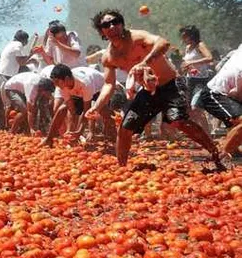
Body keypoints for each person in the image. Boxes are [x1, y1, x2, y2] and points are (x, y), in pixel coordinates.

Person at [84, 9, 221, 168]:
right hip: (148, 91)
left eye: (116, 22)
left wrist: (145, 62)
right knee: (125, 128)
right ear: (102, 31)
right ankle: (121, 169)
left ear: (122, 24)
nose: (113, 26)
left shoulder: (137, 37)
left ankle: (216, 153)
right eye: (107, 24)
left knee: (178, 121)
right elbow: (109, 84)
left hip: (171, 84)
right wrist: (97, 107)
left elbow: (163, 43)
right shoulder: (108, 57)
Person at [42, 64, 111, 146]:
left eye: (57, 81)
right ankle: (49, 139)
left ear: (67, 79)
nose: (55, 85)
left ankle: (112, 135)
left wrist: (79, 131)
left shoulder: (85, 83)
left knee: (103, 111)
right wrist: (70, 130)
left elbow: (86, 110)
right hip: (79, 92)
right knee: (61, 109)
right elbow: (71, 109)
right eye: (54, 82)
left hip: (99, 88)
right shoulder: (62, 86)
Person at [197, 43, 242, 155]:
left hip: (228, 94)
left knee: (236, 127)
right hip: (215, 94)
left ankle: (231, 151)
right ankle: (221, 157)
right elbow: (236, 90)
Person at [180, 25, 213, 132]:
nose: (183, 38)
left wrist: (191, 62)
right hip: (189, 80)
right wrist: (186, 67)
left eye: (185, 36)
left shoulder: (200, 45)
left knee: (196, 107)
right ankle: (199, 133)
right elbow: (187, 63)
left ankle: (208, 134)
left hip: (201, 80)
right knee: (189, 109)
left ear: (192, 36)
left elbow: (209, 58)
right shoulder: (187, 48)